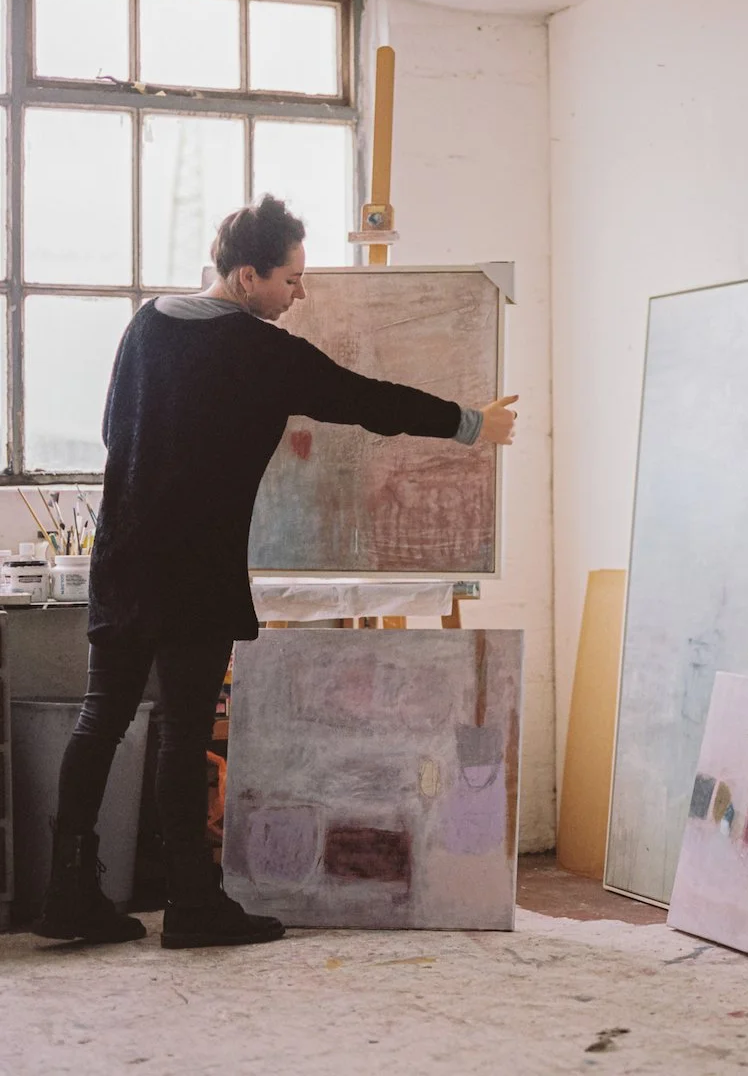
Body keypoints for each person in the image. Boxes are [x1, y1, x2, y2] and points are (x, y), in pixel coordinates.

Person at [31, 194, 518, 950]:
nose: (301, 293)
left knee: (102, 720)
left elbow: (110, 429)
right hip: (197, 570)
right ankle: (193, 905)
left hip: (122, 557)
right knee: (184, 733)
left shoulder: (146, 325)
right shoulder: (261, 351)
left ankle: (67, 895)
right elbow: (366, 401)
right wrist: (473, 425)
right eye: (291, 279)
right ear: (247, 276)